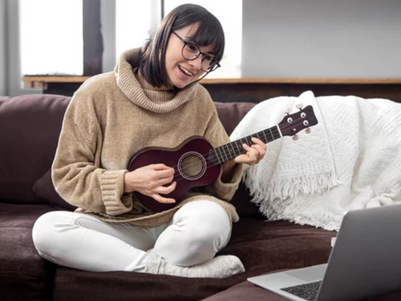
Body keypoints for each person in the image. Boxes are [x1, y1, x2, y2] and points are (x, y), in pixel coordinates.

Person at [32, 4, 266, 278]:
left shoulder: (199, 99)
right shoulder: (96, 93)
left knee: (211, 220)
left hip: (179, 224)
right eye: (192, 48)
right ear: (165, 32)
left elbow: (216, 189)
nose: (196, 65)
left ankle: (138, 264)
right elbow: (66, 176)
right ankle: (171, 270)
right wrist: (127, 181)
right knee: (47, 230)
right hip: (114, 226)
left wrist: (233, 164)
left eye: (208, 59)